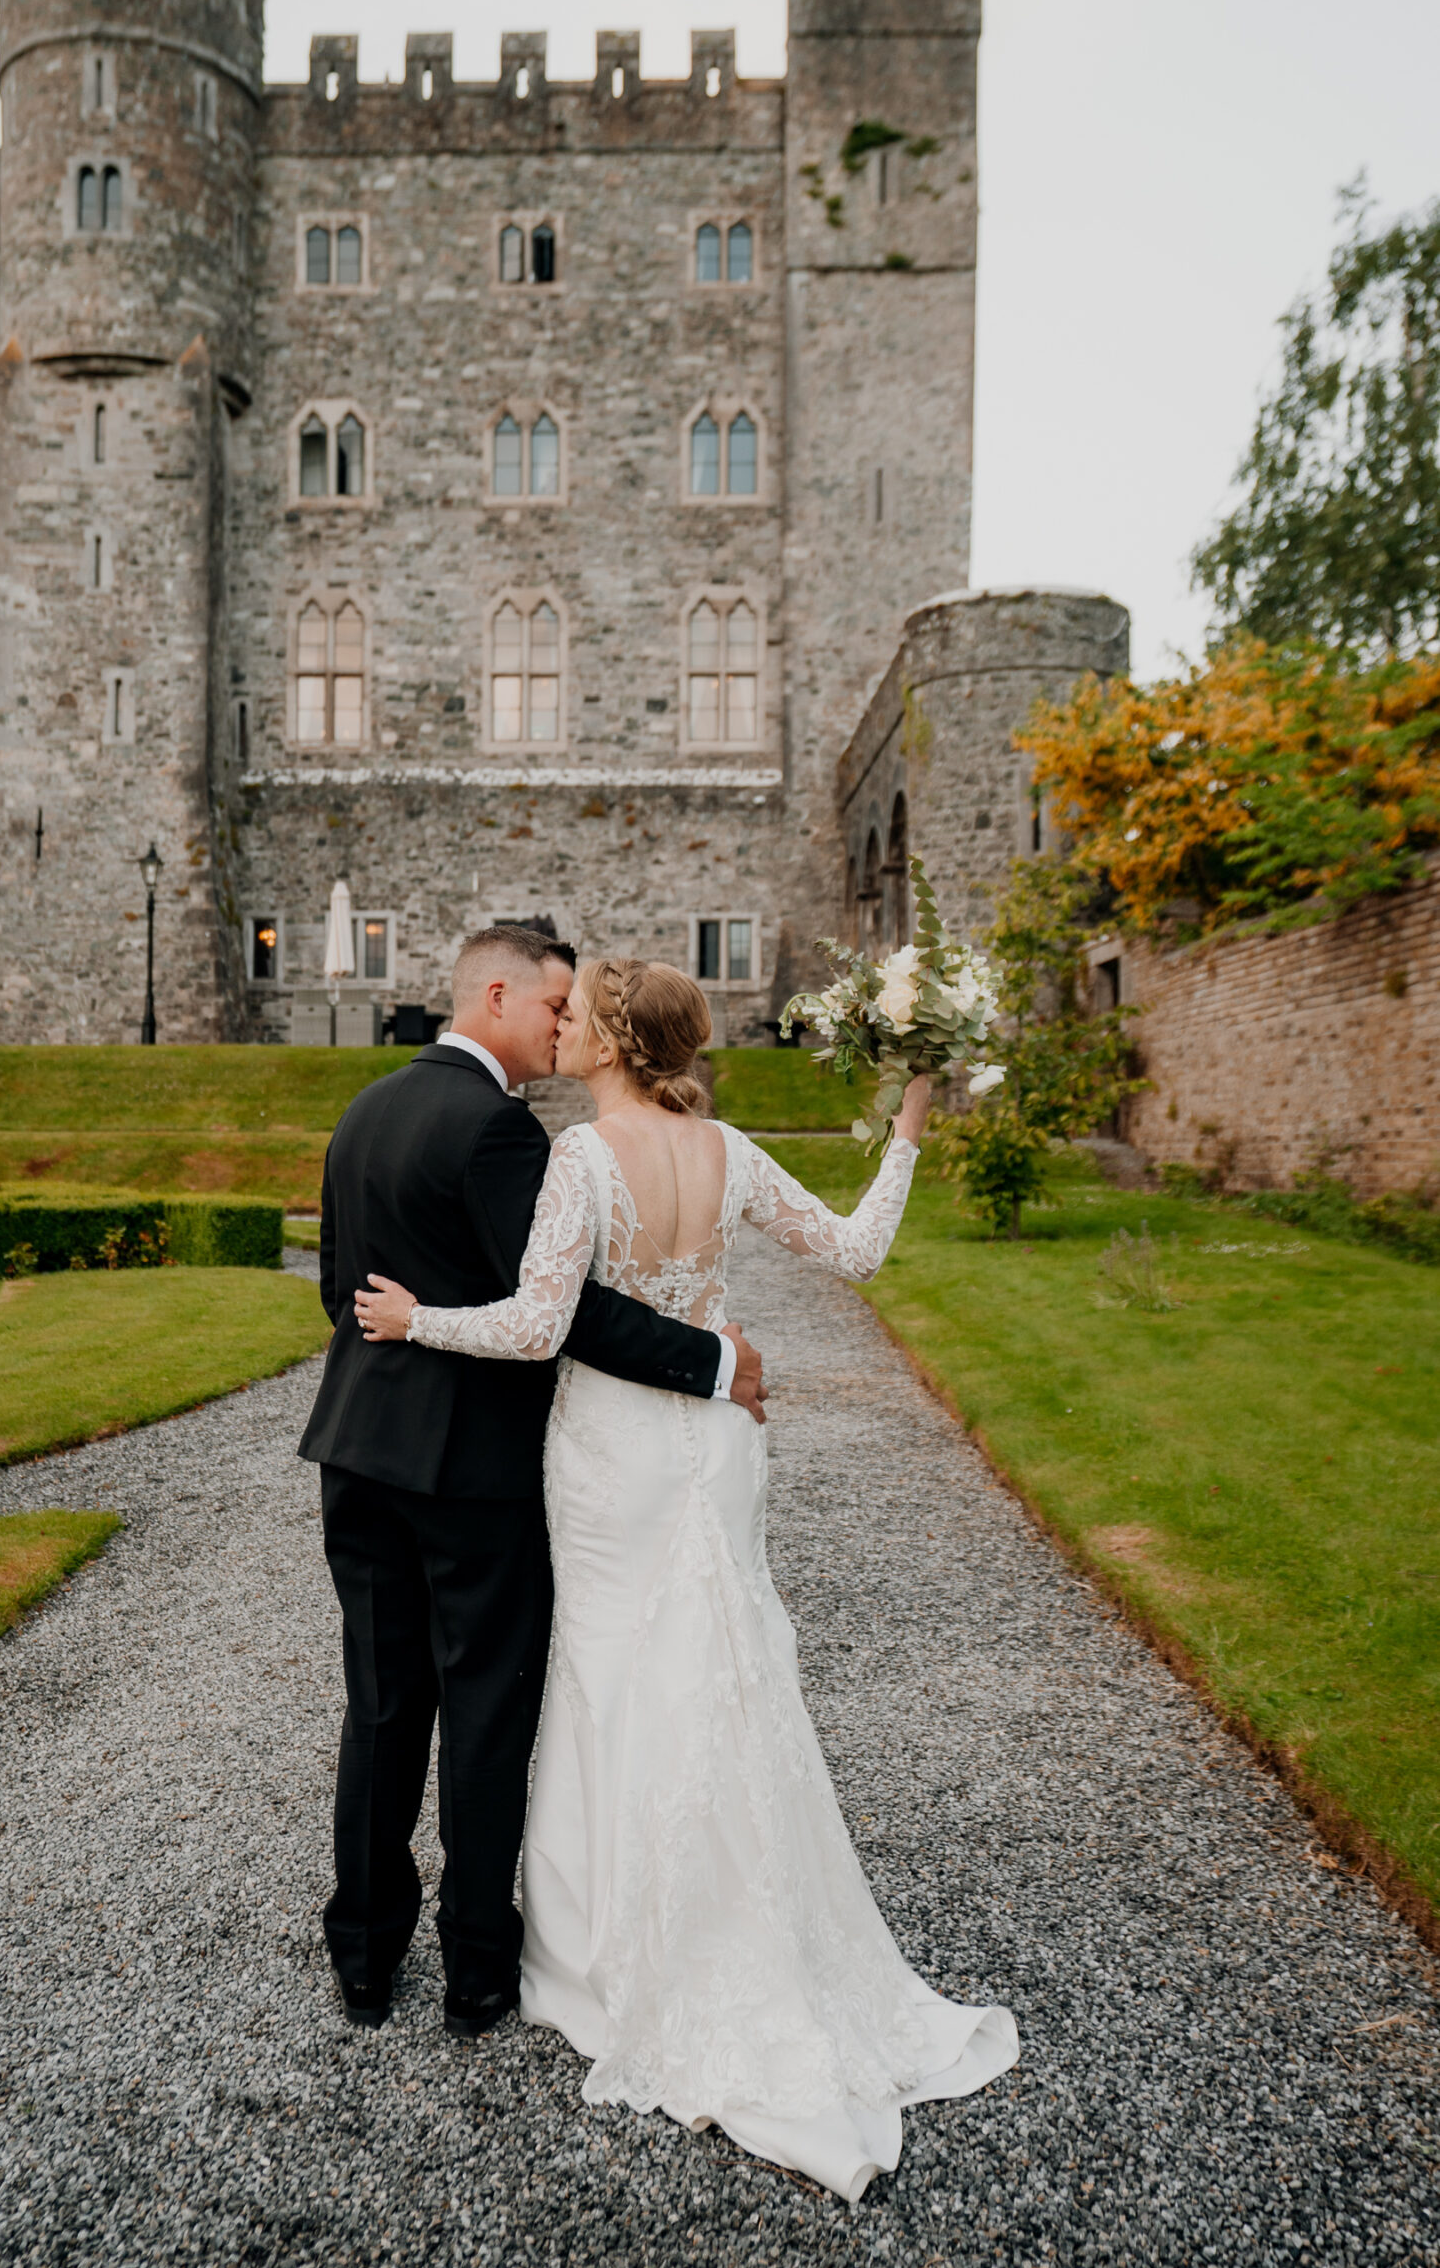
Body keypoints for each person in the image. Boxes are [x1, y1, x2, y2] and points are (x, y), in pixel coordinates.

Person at [354, 955, 1018, 2201]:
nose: (566, 1018)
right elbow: (860, 1250)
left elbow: (538, 1326)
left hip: (612, 1451)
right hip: (715, 1451)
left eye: (580, 1007)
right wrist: (908, 1128)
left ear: (609, 1038)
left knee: (612, 1673)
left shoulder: (582, 1160)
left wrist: (419, 1321)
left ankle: (624, 1946)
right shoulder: (730, 1150)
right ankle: (747, 1917)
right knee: (724, 1663)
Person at [300, 926, 768, 2043]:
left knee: (379, 1705)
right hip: (473, 1475)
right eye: (553, 1003)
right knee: (486, 1713)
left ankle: (363, 1960)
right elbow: (568, 1319)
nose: (564, 1025)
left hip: (357, 1455)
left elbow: (335, 1292)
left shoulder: (362, 1110)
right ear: (495, 993)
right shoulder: (501, 1131)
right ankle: (473, 1973)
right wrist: (713, 1363)